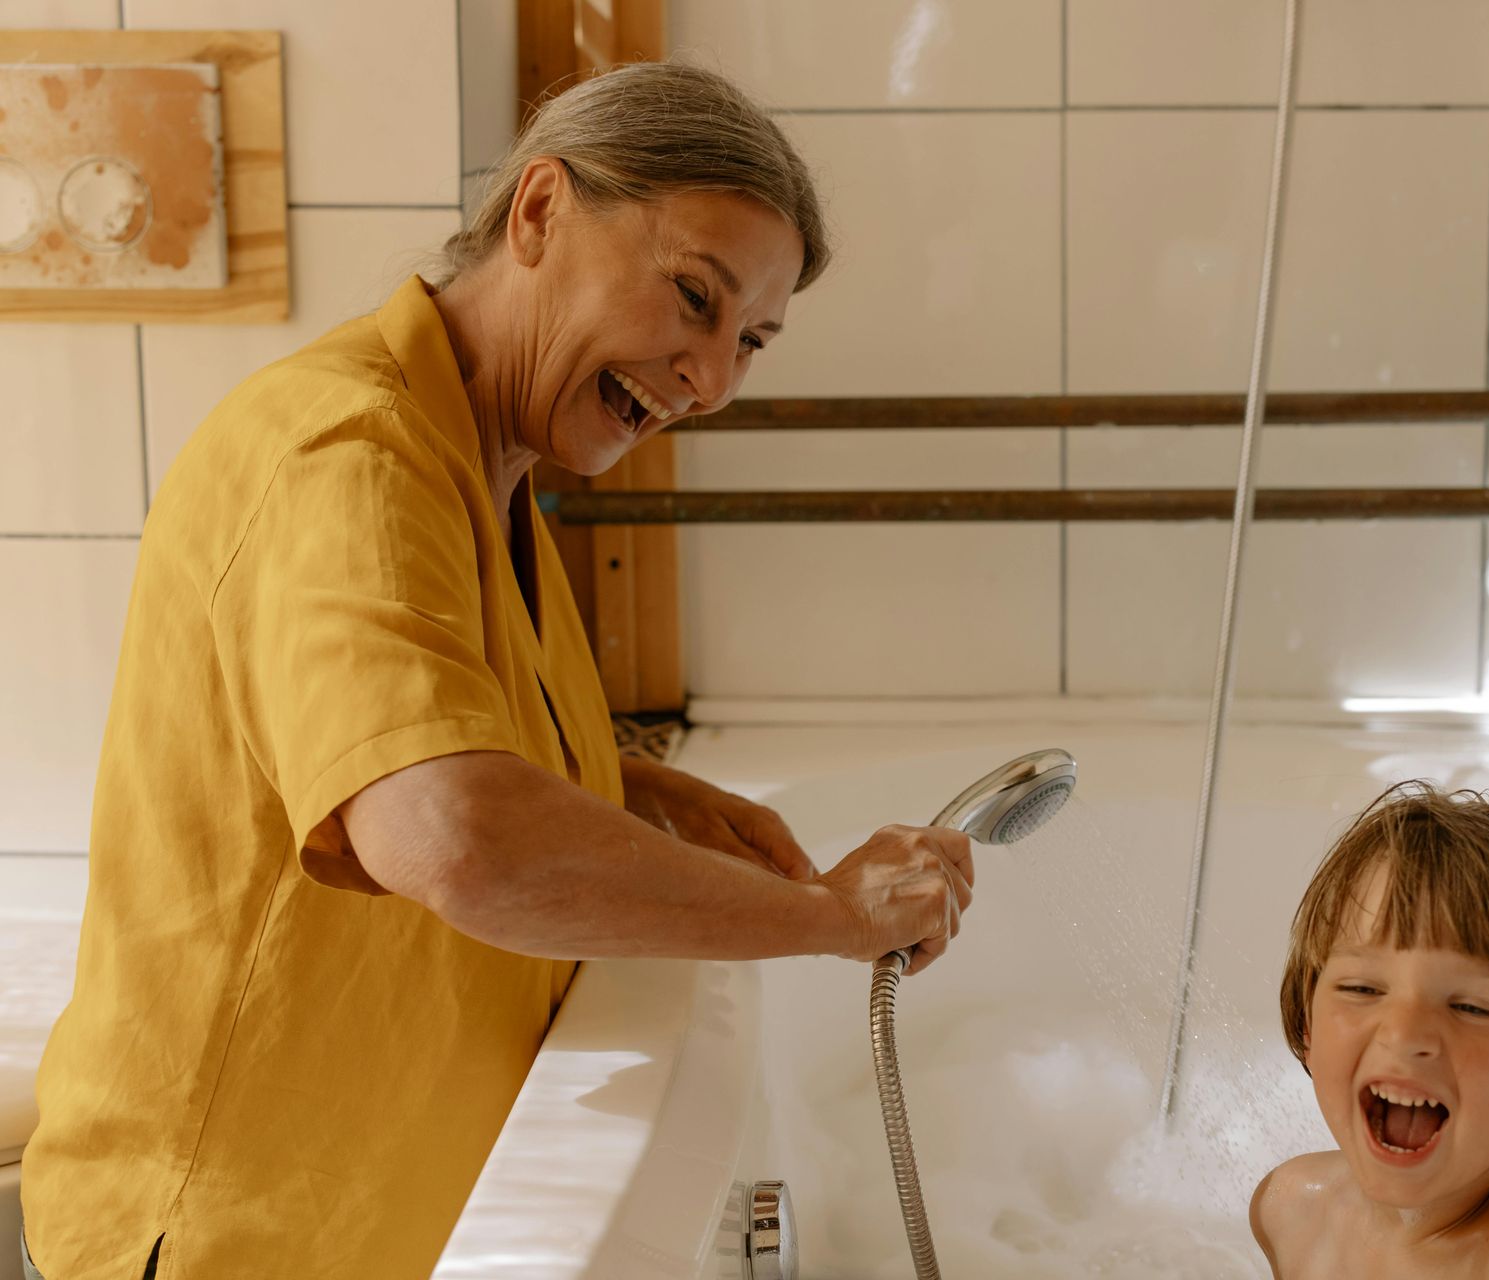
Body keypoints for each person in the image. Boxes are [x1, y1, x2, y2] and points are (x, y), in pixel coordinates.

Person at [22, 62, 972, 1280]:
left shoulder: (483, 463)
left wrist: (633, 792)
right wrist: (831, 919)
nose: (711, 380)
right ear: (539, 212)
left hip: (361, 1210)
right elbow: (455, 837)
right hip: (228, 1238)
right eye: (694, 297)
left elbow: (417, 739)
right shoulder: (347, 455)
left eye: (750, 340)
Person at [1250, 782, 1489, 1279]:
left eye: (1472, 1008)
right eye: (1362, 989)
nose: (1404, 1034)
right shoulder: (1291, 1212)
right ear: (1307, 1025)